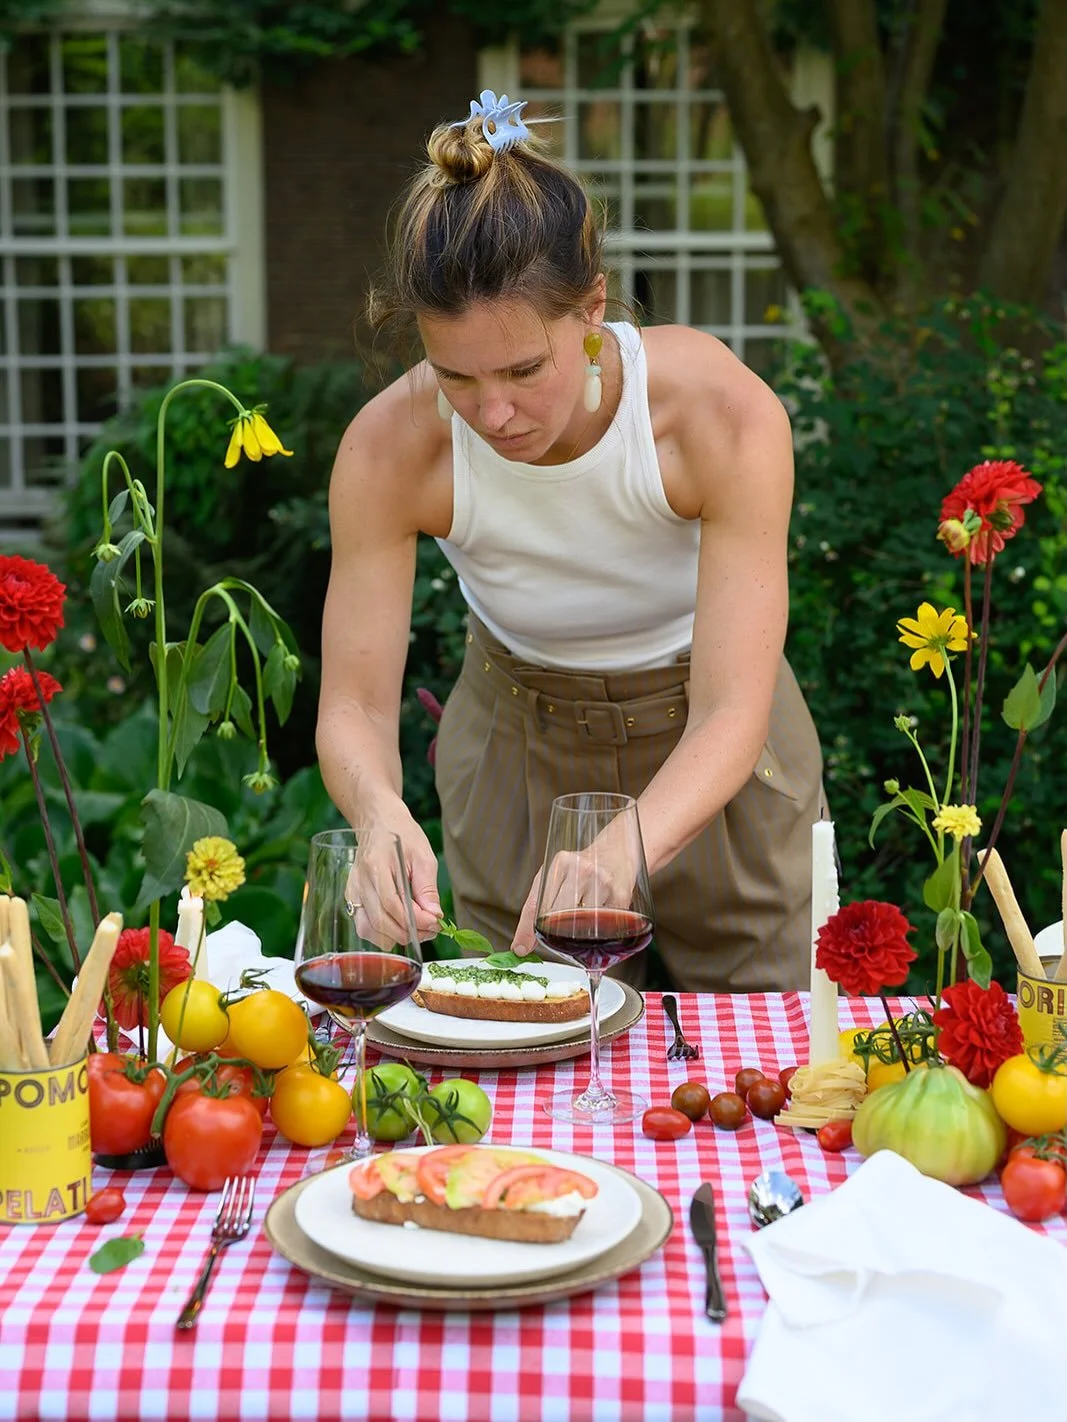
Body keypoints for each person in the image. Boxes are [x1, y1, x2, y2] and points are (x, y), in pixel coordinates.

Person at [316, 89, 826, 993]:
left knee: (766, 1049)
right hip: (515, 747)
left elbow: (730, 712)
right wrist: (377, 814)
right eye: (455, 376)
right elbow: (354, 706)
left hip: (715, 748)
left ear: (591, 309)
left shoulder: (717, 415)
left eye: (522, 369)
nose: (494, 413)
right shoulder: (389, 449)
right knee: (517, 1041)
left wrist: (620, 847)